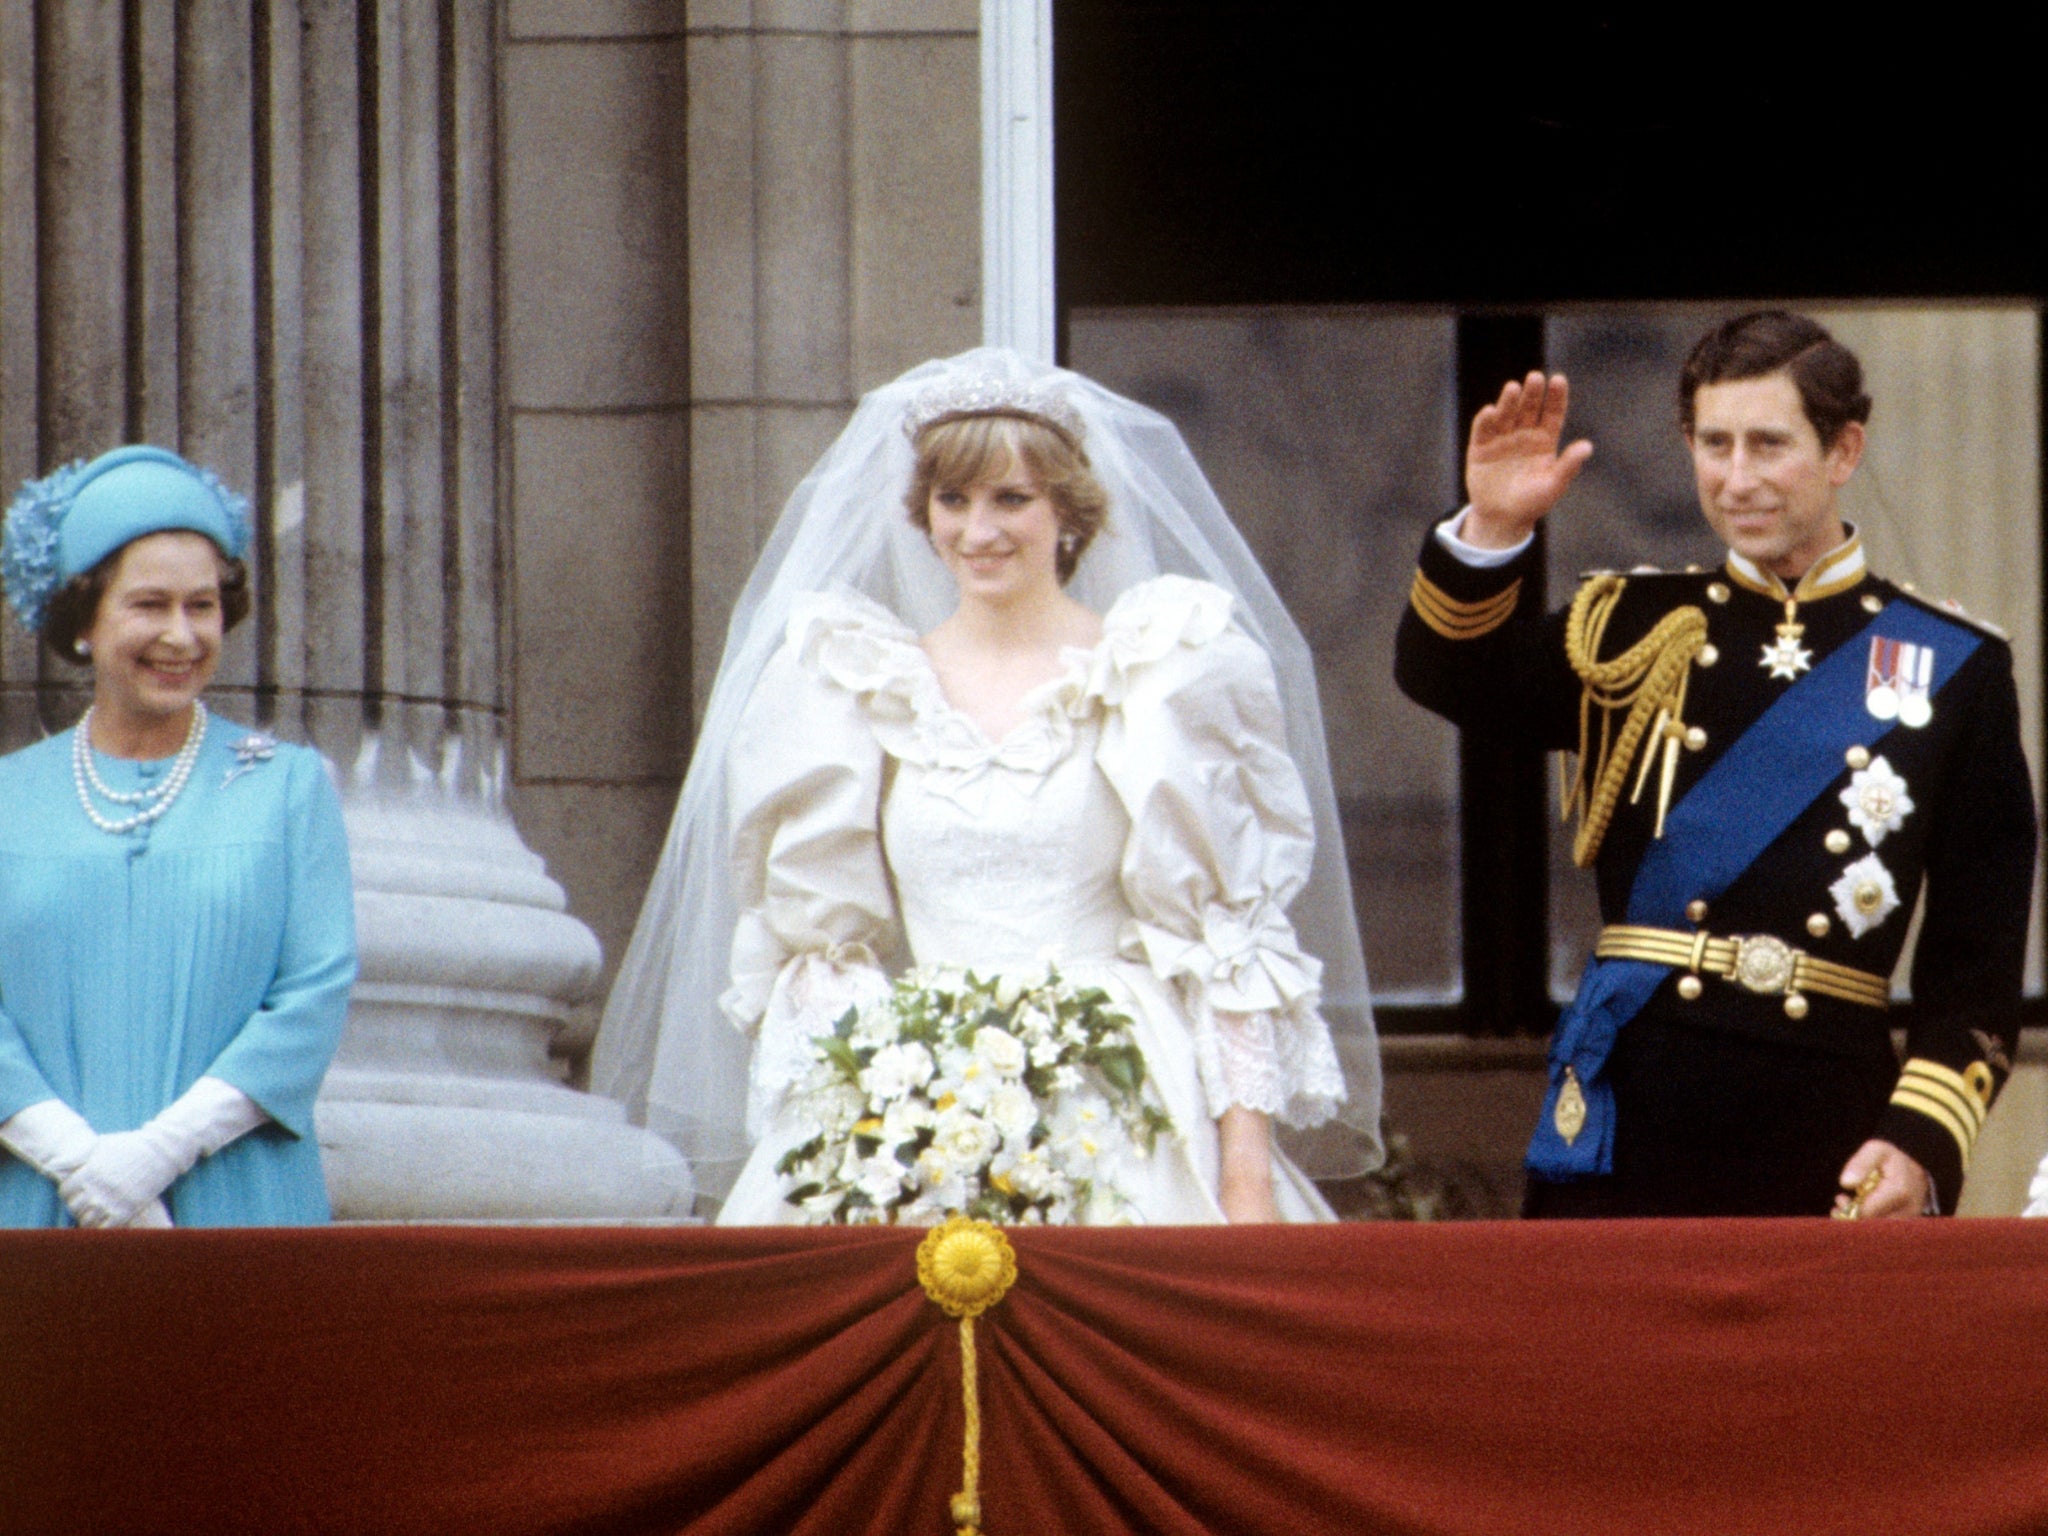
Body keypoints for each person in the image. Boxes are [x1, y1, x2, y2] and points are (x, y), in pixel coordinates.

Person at [593, 348, 1382, 1222]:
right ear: (922, 512)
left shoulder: (1162, 674)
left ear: (1069, 513)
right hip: (914, 1101)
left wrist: (1244, 1185)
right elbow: (819, 958)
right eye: (953, 500)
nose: (978, 531)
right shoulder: (855, 686)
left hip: (1128, 1107)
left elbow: (1226, 945)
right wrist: (840, 1145)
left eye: (1012, 498)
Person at [1395, 311, 2037, 1219]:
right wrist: (1492, 529)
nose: (1737, 479)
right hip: (1633, 1108)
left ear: (1843, 449)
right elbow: (1451, 675)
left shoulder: (1954, 667)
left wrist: (1921, 1136)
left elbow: (1976, 961)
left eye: (1768, 445)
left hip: (1826, 1118)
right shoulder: (1630, 624)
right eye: (1714, 444)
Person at [0, 445, 357, 1227]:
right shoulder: (7, 798)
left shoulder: (288, 787)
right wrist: (84, 1167)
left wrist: (158, 1154)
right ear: (83, 620)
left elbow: (312, 997)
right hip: (42, 1199)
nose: (181, 635)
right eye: (149, 604)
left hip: (238, 1200)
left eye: (202, 606)